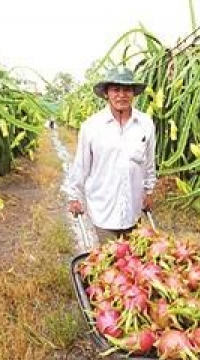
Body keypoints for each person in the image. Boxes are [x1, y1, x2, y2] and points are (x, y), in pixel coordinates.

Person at [65, 66, 157, 244]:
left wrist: (149, 191)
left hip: (133, 207)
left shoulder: (145, 124)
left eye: (127, 89)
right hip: (103, 207)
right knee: (110, 260)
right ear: (106, 93)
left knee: (132, 261)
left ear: (133, 93)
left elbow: (149, 163)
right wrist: (74, 196)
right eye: (116, 89)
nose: (121, 95)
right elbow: (81, 165)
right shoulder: (91, 127)